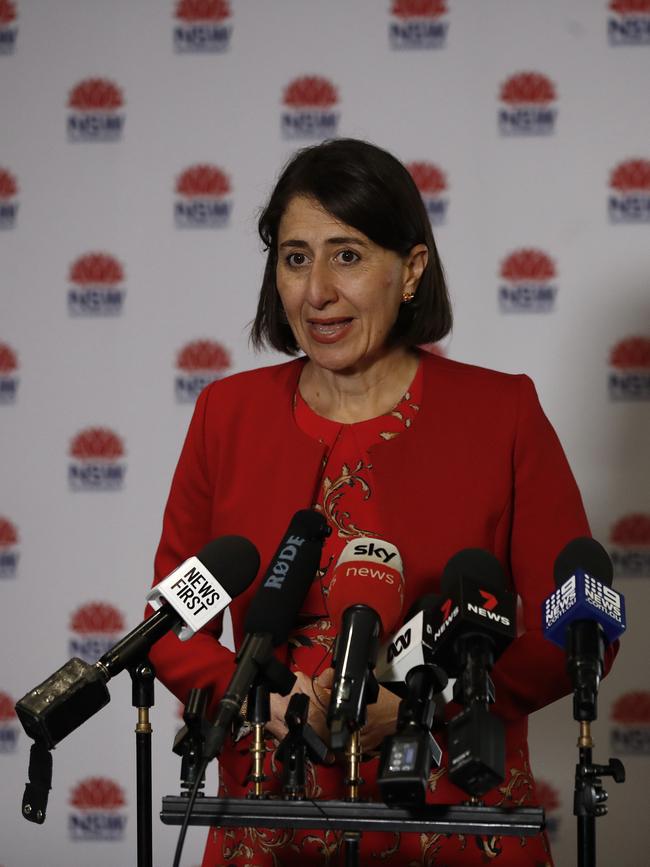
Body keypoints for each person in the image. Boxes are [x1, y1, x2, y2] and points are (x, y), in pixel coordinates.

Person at [148, 138, 616, 866]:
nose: (316, 292)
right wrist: (247, 699)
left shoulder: (502, 413)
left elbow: (579, 630)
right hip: (270, 824)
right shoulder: (225, 414)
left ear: (411, 271)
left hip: (455, 823)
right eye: (296, 257)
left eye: (348, 255)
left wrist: (442, 703)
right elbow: (169, 623)